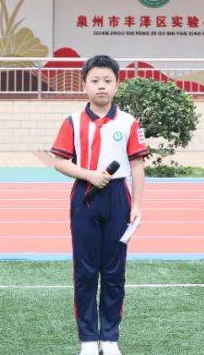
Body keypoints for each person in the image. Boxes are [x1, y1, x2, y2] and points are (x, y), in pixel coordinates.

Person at [50, 54, 149, 355]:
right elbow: (59, 162)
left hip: (118, 197)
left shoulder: (129, 122)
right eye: (95, 81)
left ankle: (110, 337)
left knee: (114, 271)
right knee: (85, 271)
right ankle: (88, 339)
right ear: (84, 86)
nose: (101, 87)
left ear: (117, 85)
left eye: (107, 81)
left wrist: (137, 205)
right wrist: (89, 174)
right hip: (85, 195)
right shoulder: (72, 121)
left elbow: (138, 166)